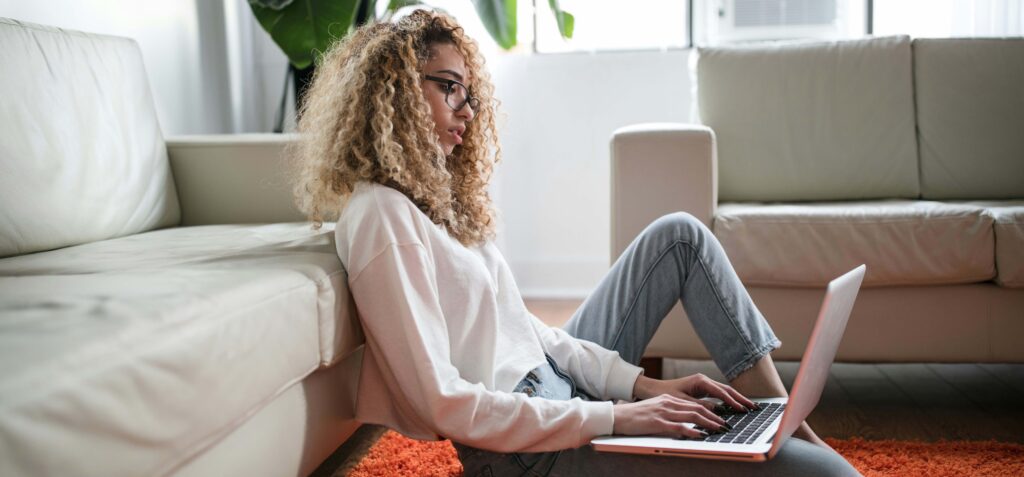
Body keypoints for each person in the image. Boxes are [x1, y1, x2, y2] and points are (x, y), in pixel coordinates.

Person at [291, 9, 860, 477]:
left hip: (562, 398)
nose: (467, 109)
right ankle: (787, 442)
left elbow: (526, 330)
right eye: (449, 88)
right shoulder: (380, 215)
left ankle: (784, 421)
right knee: (826, 475)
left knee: (679, 236)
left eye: (470, 93)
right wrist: (616, 417)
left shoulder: (439, 204)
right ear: (394, 94)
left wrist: (641, 386)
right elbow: (440, 401)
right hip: (525, 453)